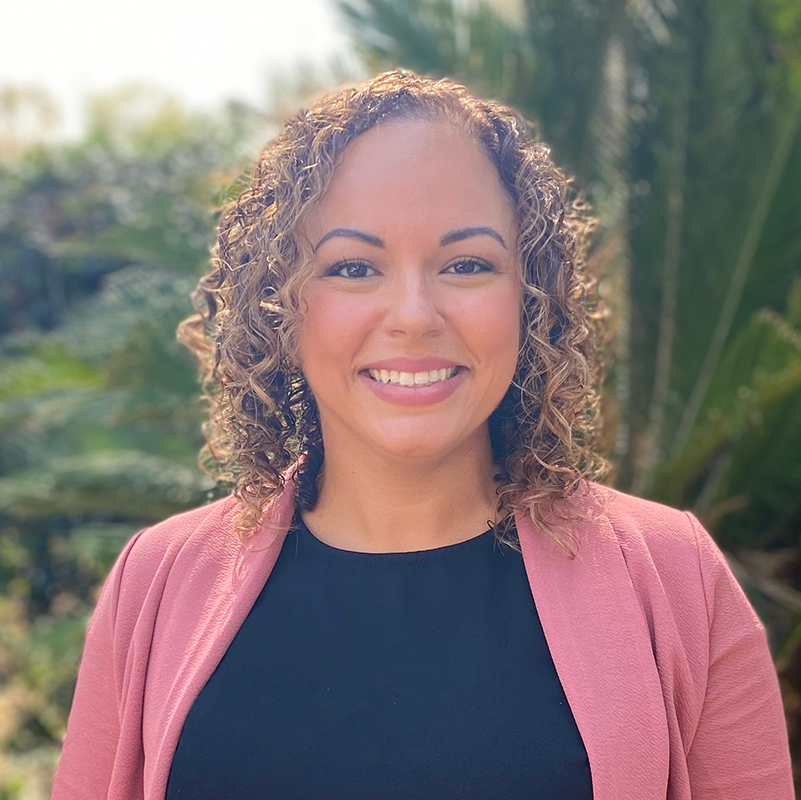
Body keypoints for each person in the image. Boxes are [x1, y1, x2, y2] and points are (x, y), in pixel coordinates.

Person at [50, 70, 793, 800]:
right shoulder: (158, 583)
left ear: (529, 298)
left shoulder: (672, 578)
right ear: (281, 305)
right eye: (352, 267)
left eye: (466, 264)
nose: (412, 314)